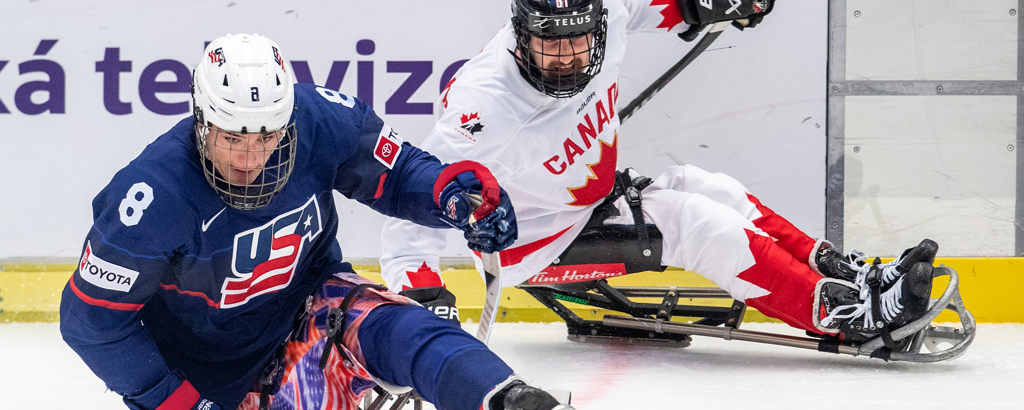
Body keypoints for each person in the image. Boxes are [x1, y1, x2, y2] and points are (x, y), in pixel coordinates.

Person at [380, 0, 940, 348]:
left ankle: (852, 276)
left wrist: (714, 4)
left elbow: (666, 5)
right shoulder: (485, 110)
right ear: (520, 35)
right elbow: (409, 210)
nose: (566, 58)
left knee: (712, 187)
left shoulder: (607, 13)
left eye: (577, 41)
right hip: (536, 244)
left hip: (589, 201)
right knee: (694, 223)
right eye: (548, 44)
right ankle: (844, 314)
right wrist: (423, 297)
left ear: (597, 29)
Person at [60, 33, 573, 410]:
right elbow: (92, 323)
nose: (250, 158)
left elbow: (397, 175)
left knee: (398, 326)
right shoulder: (150, 197)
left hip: (312, 305)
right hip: (207, 377)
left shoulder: (319, 118)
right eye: (232, 137)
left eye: (267, 136)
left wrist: (452, 197)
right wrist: (177, 403)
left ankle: (508, 398)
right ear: (201, 120)